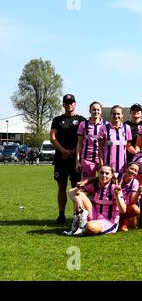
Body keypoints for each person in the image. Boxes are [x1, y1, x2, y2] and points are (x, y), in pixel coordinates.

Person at [50, 93, 86, 224]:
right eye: (66, 102)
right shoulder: (57, 120)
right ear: (63, 104)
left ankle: (76, 215)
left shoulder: (82, 120)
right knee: (61, 187)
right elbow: (52, 138)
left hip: (76, 159)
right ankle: (61, 215)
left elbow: (84, 140)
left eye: (71, 102)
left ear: (75, 104)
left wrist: (75, 152)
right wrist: (64, 151)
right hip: (61, 158)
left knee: (76, 188)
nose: (69, 104)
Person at [63, 165, 126, 236]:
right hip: (95, 214)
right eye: (101, 172)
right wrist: (78, 201)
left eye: (107, 173)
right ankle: (78, 227)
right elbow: (71, 192)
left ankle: (79, 228)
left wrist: (117, 195)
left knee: (90, 227)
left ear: (111, 175)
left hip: (108, 221)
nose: (103, 175)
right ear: (98, 174)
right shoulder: (95, 185)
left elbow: (123, 210)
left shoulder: (115, 188)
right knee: (79, 195)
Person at [98, 105, 135, 176]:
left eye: (118, 114)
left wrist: (138, 153)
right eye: (114, 114)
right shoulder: (104, 128)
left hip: (122, 167)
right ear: (110, 115)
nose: (116, 116)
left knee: (119, 186)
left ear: (122, 115)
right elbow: (100, 149)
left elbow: (128, 146)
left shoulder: (126, 128)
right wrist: (102, 165)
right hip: (108, 168)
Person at [76, 101, 105, 180]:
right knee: (86, 186)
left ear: (101, 111)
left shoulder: (107, 125)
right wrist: (77, 161)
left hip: (102, 160)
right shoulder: (83, 124)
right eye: (94, 109)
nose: (96, 111)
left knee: (103, 185)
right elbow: (79, 144)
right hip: (87, 160)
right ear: (90, 111)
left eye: (98, 109)